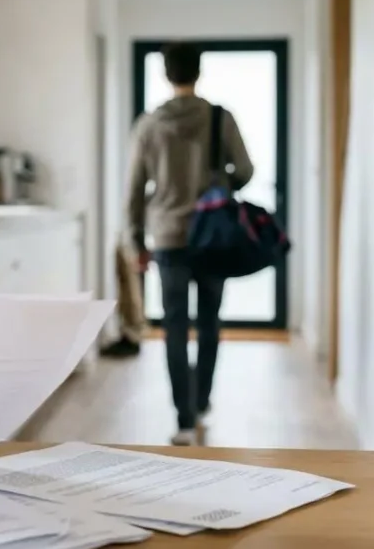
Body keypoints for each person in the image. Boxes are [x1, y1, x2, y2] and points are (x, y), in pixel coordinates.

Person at [124, 42, 253, 446]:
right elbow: (246, 170)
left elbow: (133, 189)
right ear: (198, 72)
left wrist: (135, 240)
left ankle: (182, 417)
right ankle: (201, 401)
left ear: (166, 74)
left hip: (167, 236)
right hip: (212, 234)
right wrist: (219, 185)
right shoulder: (219, 118)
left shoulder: (148, 124)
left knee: (175, 327)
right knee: (210, 321)